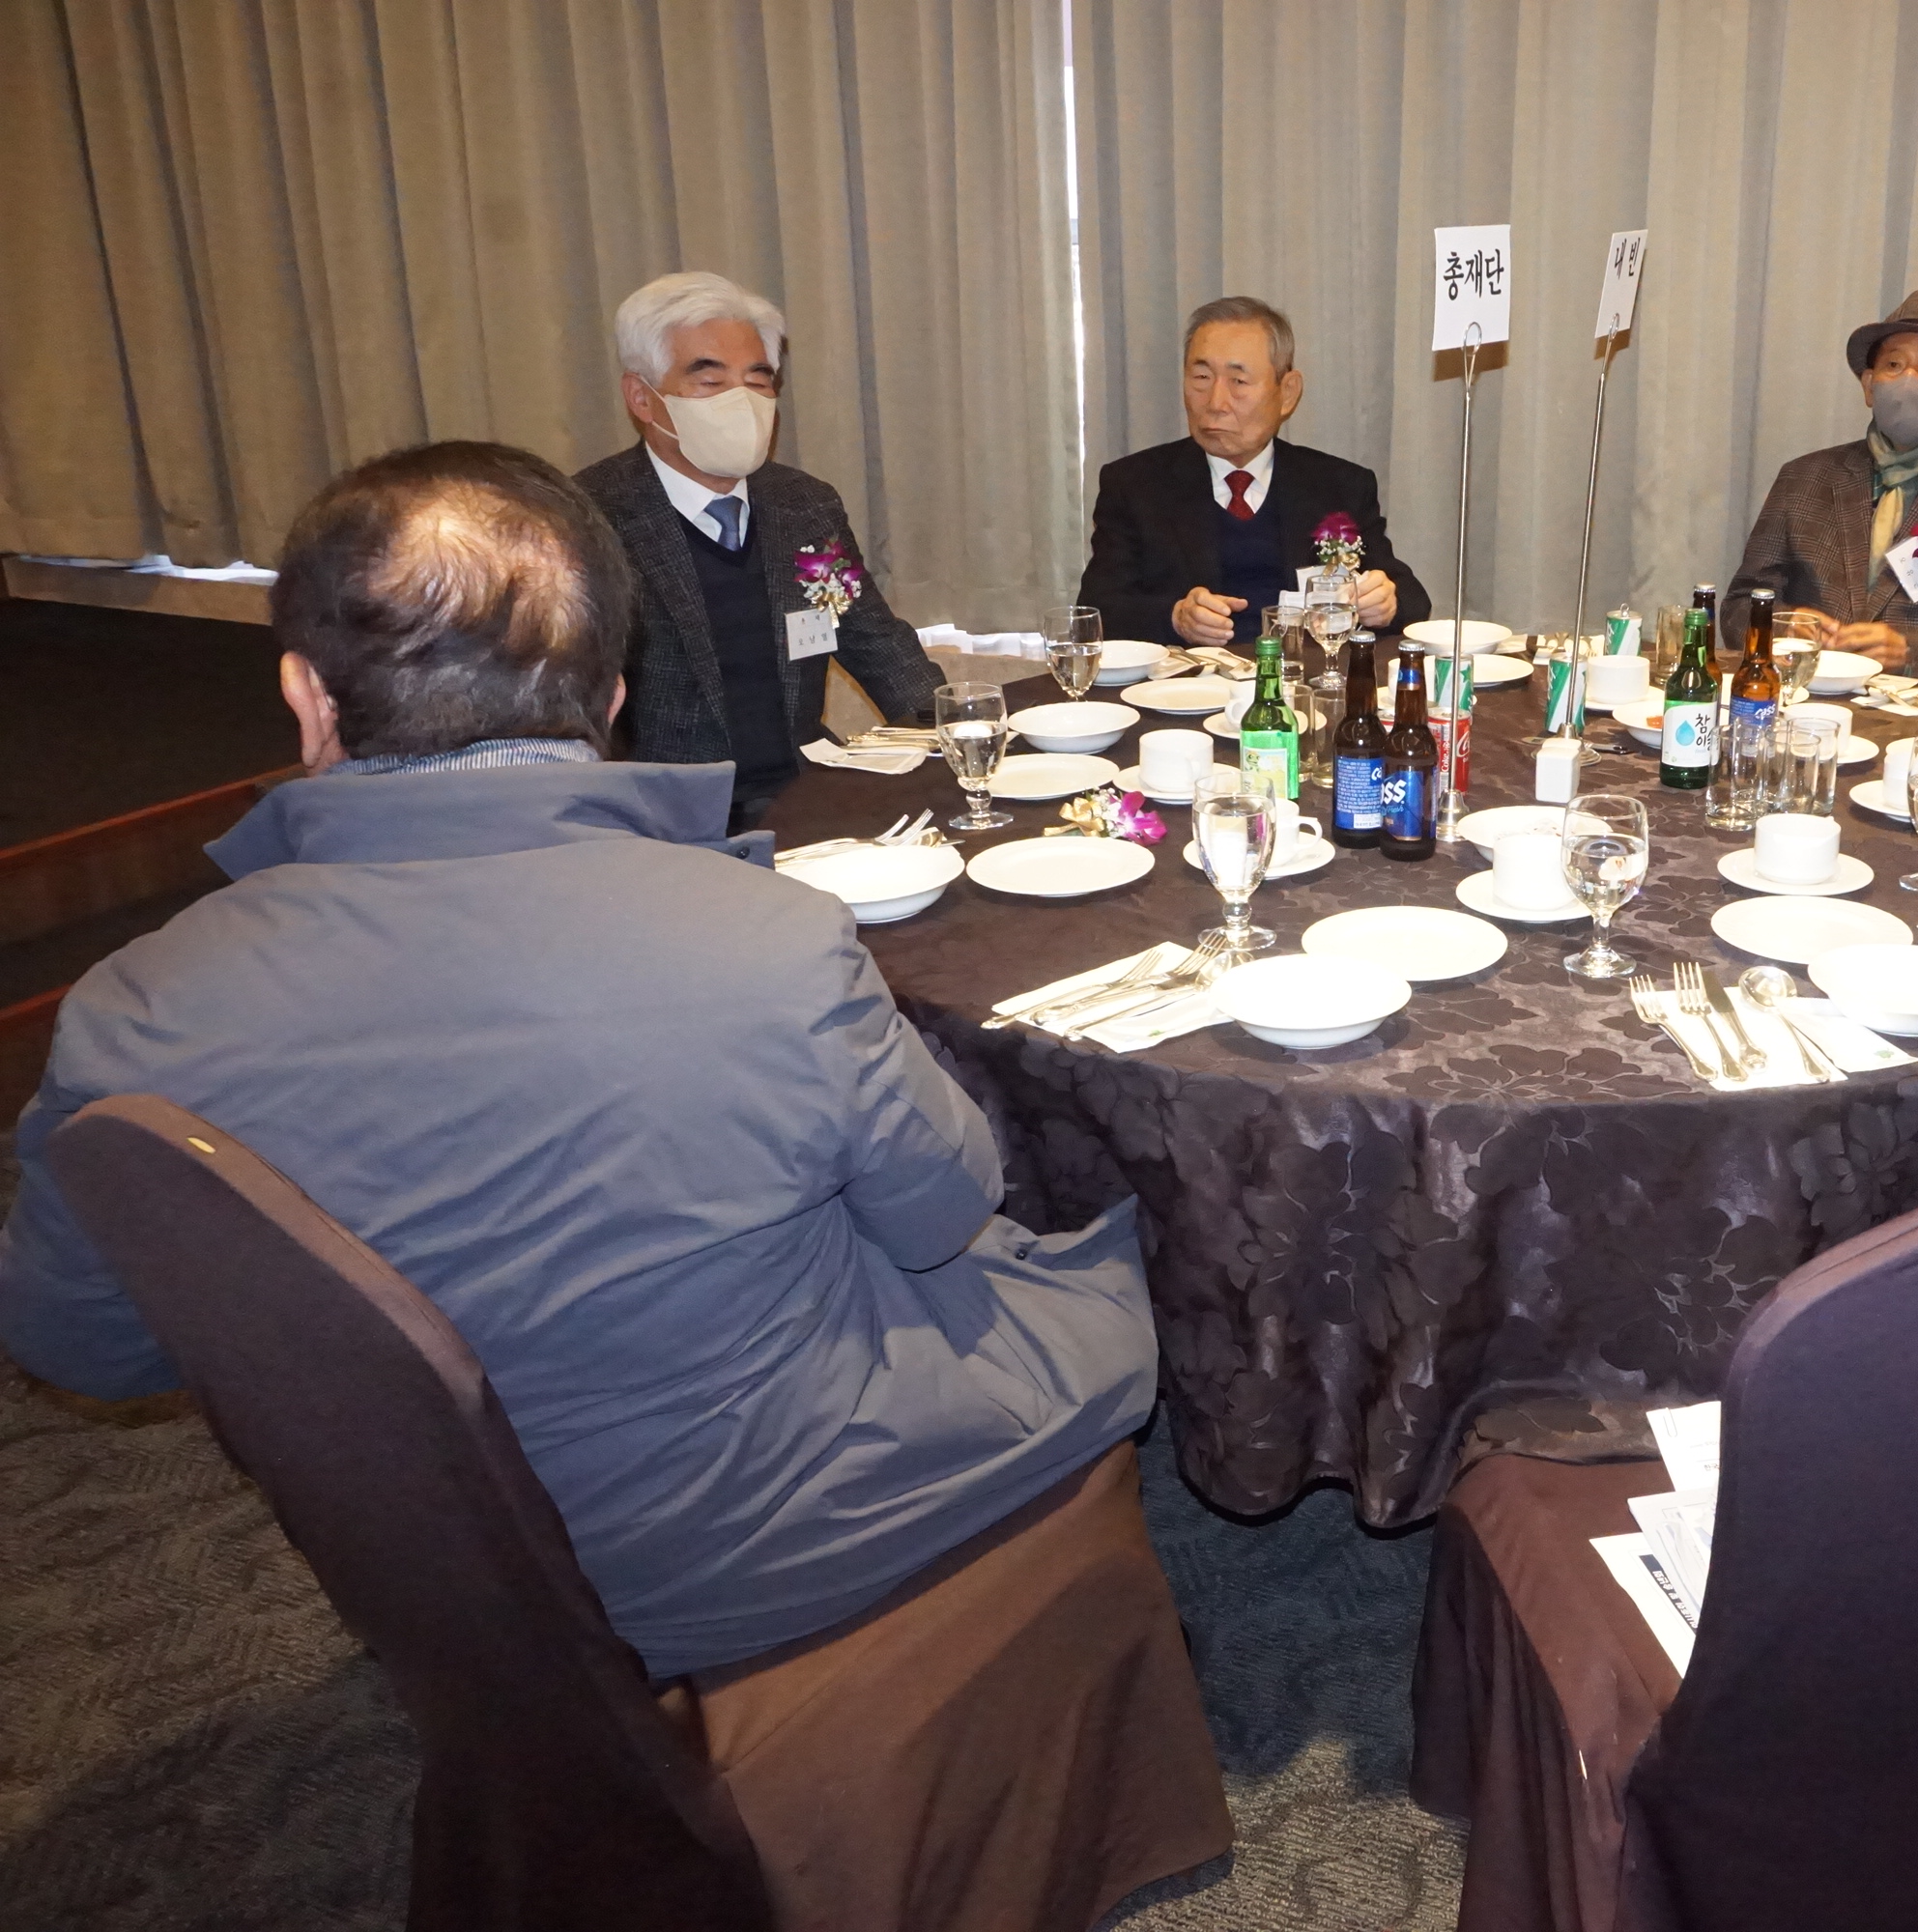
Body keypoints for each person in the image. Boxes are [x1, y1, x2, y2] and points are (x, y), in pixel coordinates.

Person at [0, 442, 1155, 1682]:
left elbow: (82, 1343)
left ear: (307, 696)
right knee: (1113, 1282)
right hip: (780, 1547)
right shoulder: (765, 936)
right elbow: (940, 1210)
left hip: (430, 1580)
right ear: (611, 695)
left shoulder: (132, 1012)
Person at [577, 270, 938, 827]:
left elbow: (869, 636)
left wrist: (955, 728)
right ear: (642, 398)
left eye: (757, 380)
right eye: (710, 381)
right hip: (657, 813)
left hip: (803, 792)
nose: (741, 401)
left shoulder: (803, 505)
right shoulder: (585, 519)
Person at [1077, 296, 1430, 648]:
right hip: (1190, 678)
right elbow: (1098, 610)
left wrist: (1385, 603)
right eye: (1201, 377)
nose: (1215, 403)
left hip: (1304, 675)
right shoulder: (1135, 485)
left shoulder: (1339, 485)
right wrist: (1175, 618)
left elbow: (1412, 599)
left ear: (1287, 393)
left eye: (1239, 381)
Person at [1732, 288, 1918, 688]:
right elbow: (1739, 607)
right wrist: (1784, 626)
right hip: (1803, 700)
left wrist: (1912, 651)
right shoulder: (1803, 478)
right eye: (1894, 364)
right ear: (1869, 385)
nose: (1909, 380)